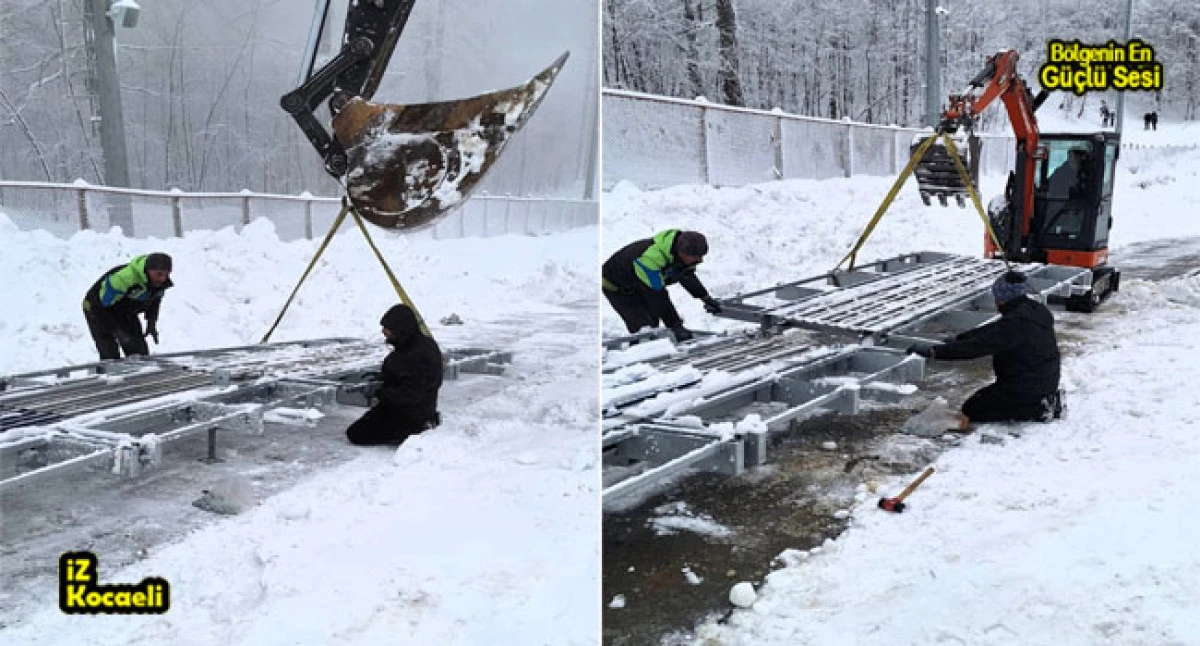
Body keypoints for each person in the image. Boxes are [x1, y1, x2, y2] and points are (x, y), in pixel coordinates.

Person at [906, 271, 1064, 429]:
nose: (996, 302)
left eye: (997, 298)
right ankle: (1041, 399)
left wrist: (935, 351)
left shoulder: (1016, 323)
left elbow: (978, 347)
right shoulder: (1032, 309)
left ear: (1003, 299)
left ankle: (1039, 408)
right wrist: (961, 338)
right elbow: (991, 331)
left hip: (1027, 386)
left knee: (974, 408)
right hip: (1042, 378)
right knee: (981, 403)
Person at [346, 304, 443, 446]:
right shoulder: (420, 345)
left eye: (387, 328)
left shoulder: (413, 354)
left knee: (356, 434)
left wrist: (379, 392)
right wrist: (382, 378)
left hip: (407, 413)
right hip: (418, 407)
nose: (383, 332)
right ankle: (422, 422)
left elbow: (410, 394)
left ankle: (412, 431)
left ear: (400, 329)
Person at [601, 229, 721, 342]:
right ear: (682, 253)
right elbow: (657, 295)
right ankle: (638, 358)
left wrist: (706, 298)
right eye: (696, 257)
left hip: (638, 283)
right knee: (644, 328)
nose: (700, 260)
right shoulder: (649, 259)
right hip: (616, 286)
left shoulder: (680, 254)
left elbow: (687, 276)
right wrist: (676, 326)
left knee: (654, 322)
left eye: (701, 256)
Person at [82, 253, 173, 360]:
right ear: (148, 270)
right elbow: (100, 307)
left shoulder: (159, 283)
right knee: (110, 353)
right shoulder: (124, 278)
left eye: (166, 274)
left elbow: (155, 301)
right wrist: (116, 331)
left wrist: (151, 322)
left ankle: (139, 374)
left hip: (124, 310)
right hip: (96, 308)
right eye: (159, 274)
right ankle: (110, 375)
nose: (163, 279)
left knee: (139, 351)